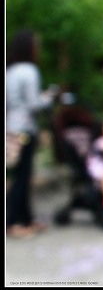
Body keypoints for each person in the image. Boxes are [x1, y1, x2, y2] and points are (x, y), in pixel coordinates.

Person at [6, 30, 58, 238]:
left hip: (11, 129)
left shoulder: (10, 71)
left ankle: (26, 219)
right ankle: (11, 223)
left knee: (22, 176)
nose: (39, 48)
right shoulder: (29, 70)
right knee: (21, 178)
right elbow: (34, 104)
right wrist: (49, 97)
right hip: (25, 129)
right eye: (37, 44)